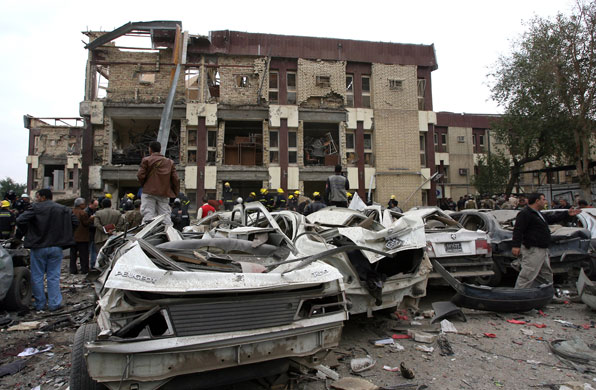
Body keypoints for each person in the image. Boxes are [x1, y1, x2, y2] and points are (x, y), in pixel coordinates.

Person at [16, 189, 78, 312]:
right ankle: (54, 304)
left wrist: (29, 232)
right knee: (53, 276)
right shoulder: (63, 209)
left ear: (43, 197)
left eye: (38, 196)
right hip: (56, 247)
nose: (36, 199)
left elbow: (20, 220)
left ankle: (40, 304)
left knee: (37, 276)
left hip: (38, 247)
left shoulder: (35, 208)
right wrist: (65, 234)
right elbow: (75, 222)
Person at [511, 193, 581, 289]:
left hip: (543, 249)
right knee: (528, 273)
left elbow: (551, 218)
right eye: (543, 199)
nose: (545, 202)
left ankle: (547, 293)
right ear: (537, 201)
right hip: (533, 249)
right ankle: (518, 295)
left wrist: (566, 214)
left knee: (546, 273)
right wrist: (516, 245)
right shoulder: (525, 213)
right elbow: (518, 230)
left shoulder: (538, 213)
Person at [137, 141, 180, 225]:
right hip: (163, 193)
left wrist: (145, 185)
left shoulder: (146, 160)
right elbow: (176, 179)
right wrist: (175, 192)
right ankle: (168, 234)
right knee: (165, 215)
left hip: (149, 192)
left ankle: (147, 234)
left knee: (148, 215)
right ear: (160, 149)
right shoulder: (169, 162)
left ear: (150, 149)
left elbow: (140, 175)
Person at [70, 198, 91, 275]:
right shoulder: (83, 213)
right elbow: (86, 223)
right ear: (80, 205)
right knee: (83, 255)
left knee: (73, 255)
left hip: (72, 237)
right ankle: (84, 269)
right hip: (82, 237)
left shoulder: (71, 212)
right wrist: (91, 219)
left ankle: (73, 269)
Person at [85, 199, 99, 268]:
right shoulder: (86, 211)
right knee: (89, 249)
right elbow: (86, 223)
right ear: (91, 204)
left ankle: (92, 264)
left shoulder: (95, 210)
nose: (96, 207)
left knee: (93, 249)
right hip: (89, 233)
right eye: (95, 205)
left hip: (93, 233)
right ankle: (87, 264)